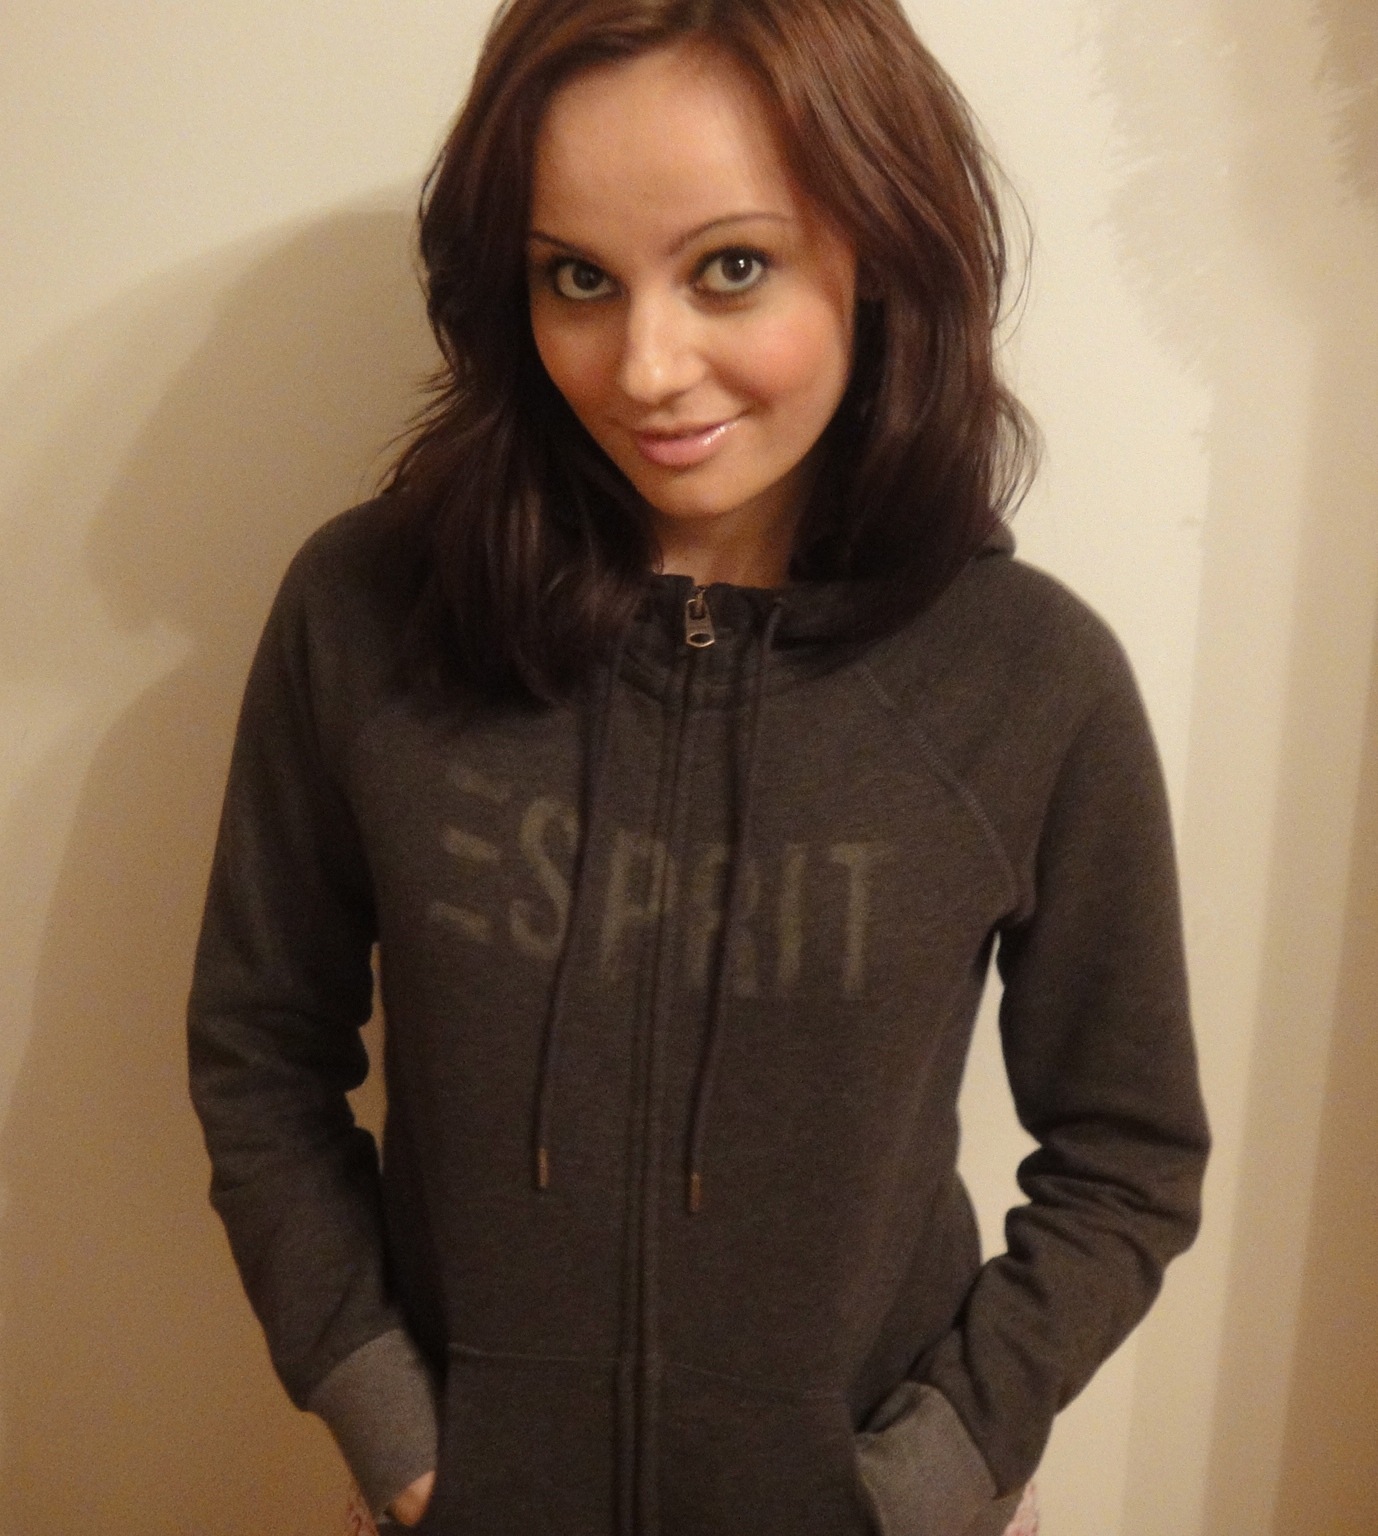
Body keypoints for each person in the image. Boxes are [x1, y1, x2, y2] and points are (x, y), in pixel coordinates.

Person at [187, 1, 1209, 1532]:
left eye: (731, 266)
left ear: (877, 247)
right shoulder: (367, 619)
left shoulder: (1024, 678)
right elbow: (260, 1050)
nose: (646, 367)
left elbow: (1126, 1153)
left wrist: (929, 1474)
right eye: (578, 278)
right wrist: (390, 1425)